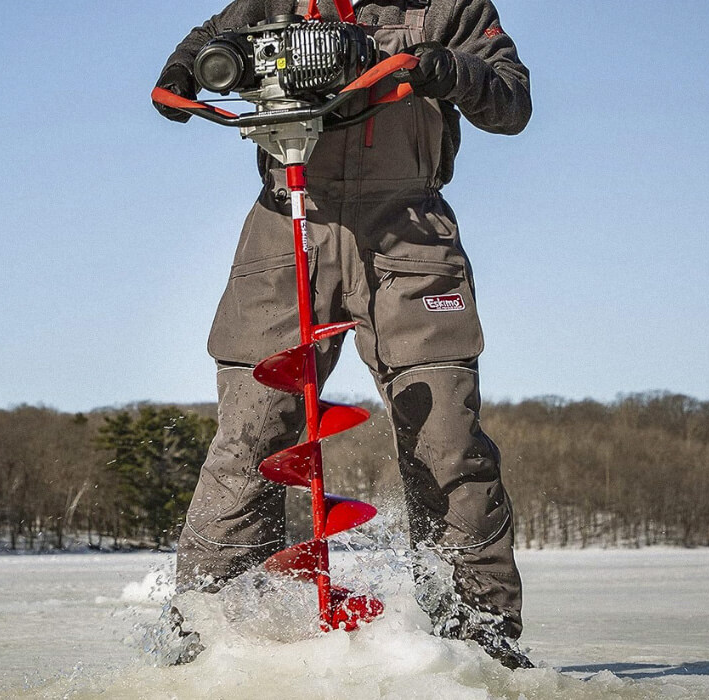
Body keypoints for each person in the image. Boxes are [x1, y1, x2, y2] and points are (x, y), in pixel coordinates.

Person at [153, 0, 533, 670]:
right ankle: (204, 635)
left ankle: (479, 642)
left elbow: (511, 102)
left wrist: (447, 70)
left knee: (444, 438)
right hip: (287, 223)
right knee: (252, 434)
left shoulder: (452, 6)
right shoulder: (274, 1)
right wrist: (186, 72)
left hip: (409, 232)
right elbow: (206, 44)